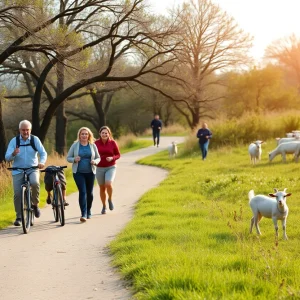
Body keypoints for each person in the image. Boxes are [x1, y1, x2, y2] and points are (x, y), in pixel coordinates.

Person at [5, 120, 47, 226]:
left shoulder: (34, 140)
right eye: (23, 130)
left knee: (35, 183)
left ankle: (35, 204)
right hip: (18, 170)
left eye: (27, 130)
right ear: (19, 130)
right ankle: (19, 217)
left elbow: (43, 153)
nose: (25, 132)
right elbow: (7, 157)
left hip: (32, 168)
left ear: (30, 130)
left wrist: (41, 162)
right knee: (18, 194)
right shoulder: (14, 141)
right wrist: (13, 153)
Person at [67, 127, 100, 222]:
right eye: (82, 134)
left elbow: (98, 157)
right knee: (82, 192)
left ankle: (89, 211)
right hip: (78, 172)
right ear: (79, 135)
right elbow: (68, 157)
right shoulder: (75, 145)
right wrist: (74, 159)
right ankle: (83, 214)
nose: (84, 135)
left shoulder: (93, 145)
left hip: (90, 172)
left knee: (90, 193)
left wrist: (95, 161)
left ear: (89, 135)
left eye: (86, 134)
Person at [95, 126, 120, 215]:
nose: (104, 134)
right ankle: (104, 206)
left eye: (106, 133)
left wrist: (112, 158)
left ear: (109, 134)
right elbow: (93, 154)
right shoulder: (95, 143)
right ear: (100, 134)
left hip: (111, 167)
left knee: (108, 184)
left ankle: (110, 199)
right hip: (99, 168)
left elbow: (118, 155)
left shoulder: (113, 143)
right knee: (102, 188)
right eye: (103, 133)